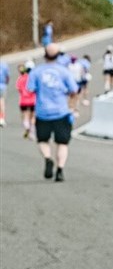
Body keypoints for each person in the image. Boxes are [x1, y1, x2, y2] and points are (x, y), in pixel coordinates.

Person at [26, 44, 79, 182]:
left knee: (43, 140)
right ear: (58, 55)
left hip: (42, 112)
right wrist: (71, 105)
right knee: (62, 142)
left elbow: (30, 89)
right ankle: (60, 169)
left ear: (45, 55)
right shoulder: (64, 72)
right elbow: (74, 90)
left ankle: (48, 158)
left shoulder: (36, 72)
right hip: (61, 112)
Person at [16, 62, 36, 139]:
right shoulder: (32, 78)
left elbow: (18, 89)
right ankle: (32, 132)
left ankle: (27, 126)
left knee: (25, 116)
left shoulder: (20, 79)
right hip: (32, 100)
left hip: (23, 101)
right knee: (33, 117)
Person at [0, 60, 9, 127]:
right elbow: (7, 77)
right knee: (2, 103)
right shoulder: (4, 65)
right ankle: (2, 119)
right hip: (2, 86)